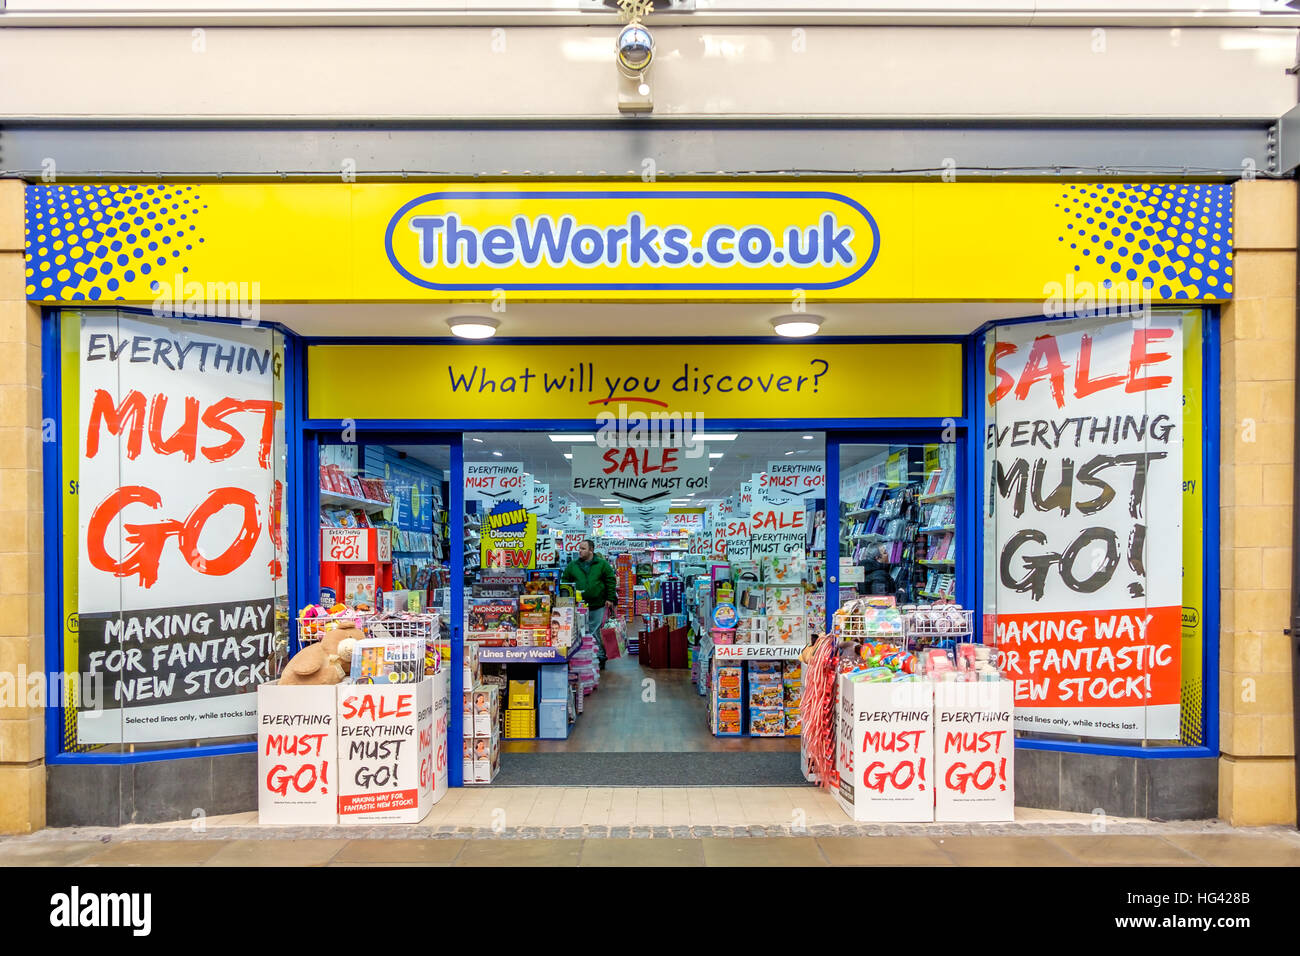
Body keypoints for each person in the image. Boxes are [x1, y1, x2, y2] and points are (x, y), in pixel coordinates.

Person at [562, 538, 618, 669]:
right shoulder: (573, 565)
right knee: (580, 632)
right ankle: (584, 658)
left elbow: (611, 581)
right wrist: (566, 600)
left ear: (591, 550)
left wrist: (610, 598)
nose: (579, 551)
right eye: (579, 548)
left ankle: (599, 657)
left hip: (598, 604)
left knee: (594, 631)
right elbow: (565, 582)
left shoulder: (602, 564)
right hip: (578, 605)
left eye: (583, 548)